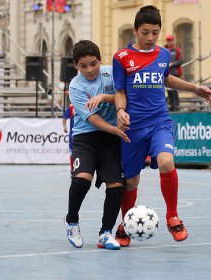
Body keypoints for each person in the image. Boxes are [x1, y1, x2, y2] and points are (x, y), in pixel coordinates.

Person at [113, 5, 211, 246]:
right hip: (133, 127)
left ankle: (173, 217)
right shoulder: (121, 58)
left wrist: (194, 88)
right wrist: (120, 111)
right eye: (145, 32)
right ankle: (126, 224)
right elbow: (119, 91)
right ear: (135, 30)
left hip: (160, 121)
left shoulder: (163, 54)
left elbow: (165, 78)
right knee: (131, 181)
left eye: (155, 32)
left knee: (167, 161)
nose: (150, 37)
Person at [64, 40, 130, 250]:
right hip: (86, 137)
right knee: (82, 180)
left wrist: (104, 97)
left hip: (110, 139)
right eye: (83, 66)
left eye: (93, 64)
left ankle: (106, 232)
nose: (89, 70)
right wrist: (115, 130)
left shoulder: (111, 73)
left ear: (100, 60)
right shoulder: (76, 85)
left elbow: (122, 95)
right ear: (76, 66)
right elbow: (92, 119)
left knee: (116, 185)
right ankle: (72, 221)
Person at [165, 34, 182, 111]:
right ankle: (171, 106)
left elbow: (180, 61)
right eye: (168, 40)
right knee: (169, 91)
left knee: (174, 90)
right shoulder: (164, 49)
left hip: (175, 73)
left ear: (173, 41)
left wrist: (172, 64)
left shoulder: (177, 50)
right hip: (167, 73)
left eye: (170, 40)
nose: (169, 42)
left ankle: (177, 106)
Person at [62, 103, 75, 172]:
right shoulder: (71, 107)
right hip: (73, 134)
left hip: (84, 133)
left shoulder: (87, 103)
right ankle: (72, 169)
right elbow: (64, 117)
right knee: (72, 153)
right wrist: (64, 127)